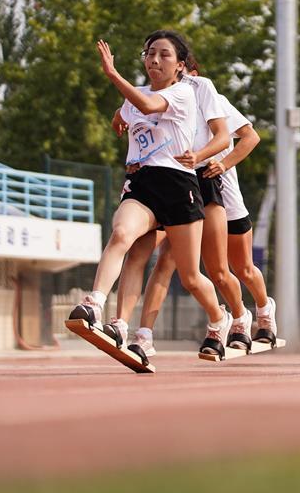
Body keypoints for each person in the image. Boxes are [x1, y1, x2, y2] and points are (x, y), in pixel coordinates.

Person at [68, 32, 232, 362]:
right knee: (124, 237)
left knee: (189, 277)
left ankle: (219, 318)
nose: (154, 60)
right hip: (143, 184)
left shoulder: (184, 92)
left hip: (178, 186)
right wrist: (119, 119)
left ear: (180, 66)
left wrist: (113, 75)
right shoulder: (135, 96)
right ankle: (100, 308)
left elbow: (147, 105)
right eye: (149, 53)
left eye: (163, 55)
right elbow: (127, 111)